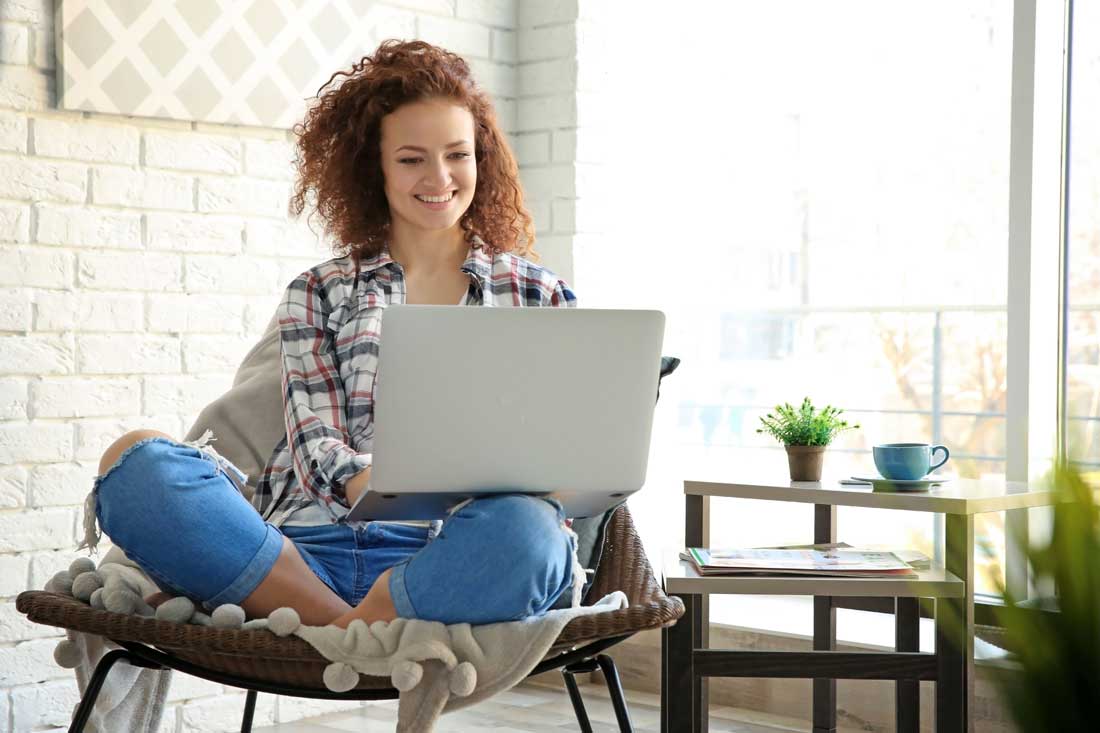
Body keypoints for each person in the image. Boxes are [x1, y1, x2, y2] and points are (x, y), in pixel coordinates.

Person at [90, 40, 580, 629]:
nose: (440, 177)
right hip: (303, 553)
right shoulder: (318, 291)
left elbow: (557, 457)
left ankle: (341, 629)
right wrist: (372, 483)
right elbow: (315, 440)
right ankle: (359, 630)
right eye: (411, 159)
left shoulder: (538, 294)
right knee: (135, 463)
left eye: (457, 154)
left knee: (532, 534)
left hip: (452, 554)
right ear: (374, 167)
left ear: (482, 158)